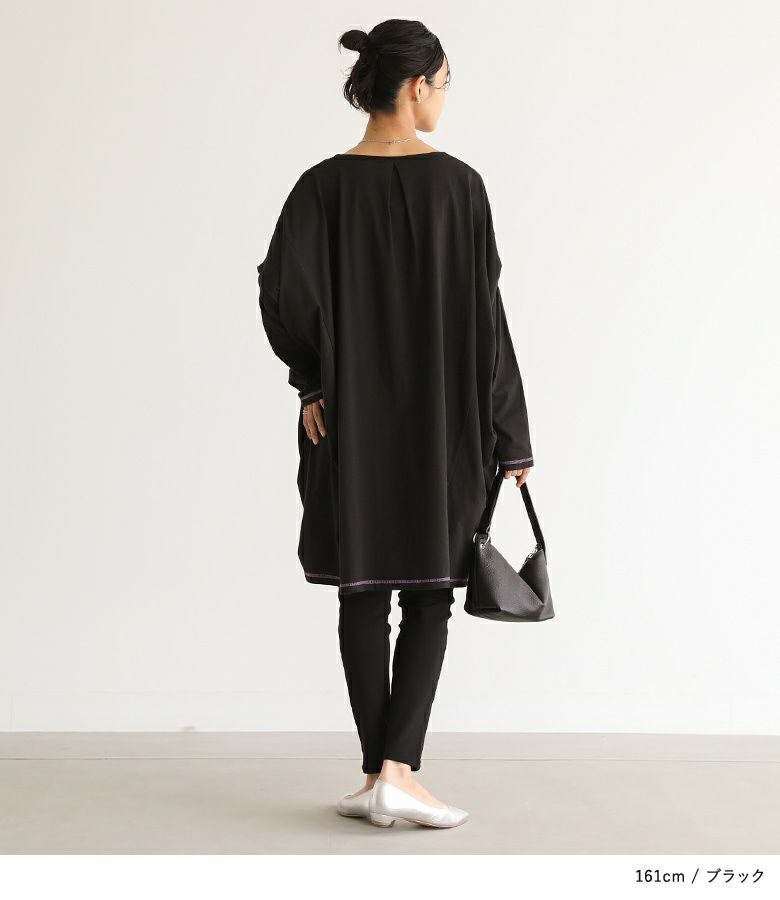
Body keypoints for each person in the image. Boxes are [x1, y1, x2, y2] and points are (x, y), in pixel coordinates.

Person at [257, 19, 534, 829]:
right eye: (444, 84)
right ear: (416, 86)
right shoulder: (461, 187)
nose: (444, 99)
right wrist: (510, 432)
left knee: (363, 590)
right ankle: (398, 773)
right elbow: (487, 322)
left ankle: (382, 773)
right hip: (445, 422)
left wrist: (313, 381)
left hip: (352, 424)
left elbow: (280, 292)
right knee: (429, 594)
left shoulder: (320, 187)